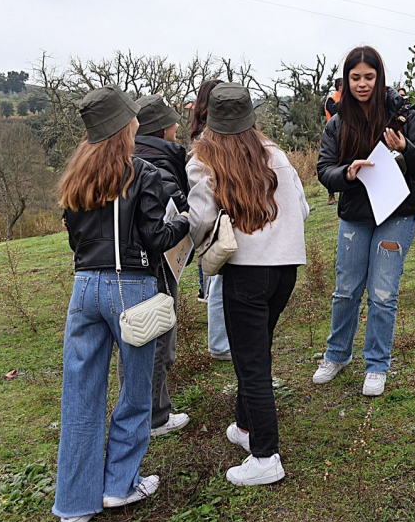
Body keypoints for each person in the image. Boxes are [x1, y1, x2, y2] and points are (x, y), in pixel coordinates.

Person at [53, 85, 190, 522]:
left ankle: (73, 505)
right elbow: (157, 238)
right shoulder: (142, 172)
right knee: (133, 394)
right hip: (131, 290)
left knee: (80, 393)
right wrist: (185, 222)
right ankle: (119, 485)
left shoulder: (75, 176)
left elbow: (76, 239)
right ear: (124, 126)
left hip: (84, 288)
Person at [187, 83, 308, 486]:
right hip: (285, 267)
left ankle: (266, 455)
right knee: (256, 351)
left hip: (245, 270)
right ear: (252, 118)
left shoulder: (205, 160)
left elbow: (202, 220)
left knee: (251, 363)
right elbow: (303, 209)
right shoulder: (277, 156)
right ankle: (244, 426)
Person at [313, 46, 415, 397]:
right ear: (346, 81)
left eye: (369, 77)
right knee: (346, 289)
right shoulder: (336, 123)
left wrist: (406, 147)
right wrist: (346, 173)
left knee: (382, 293)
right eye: (355, 78)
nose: (362, 84)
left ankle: (377, 365)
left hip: (398, 213)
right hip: (356, 214)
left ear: (379, 77)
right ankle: (336, 355)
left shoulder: (403, 115)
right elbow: (324, 170)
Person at [131, 94, 191, 437]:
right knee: (158, 337)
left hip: (129, 264)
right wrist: (184, 217)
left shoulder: (131, 154)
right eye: (172, 122)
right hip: (155, 263)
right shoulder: (158, 161)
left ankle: (146, 410)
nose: (177, 126)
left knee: (139, 337)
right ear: (159, 129)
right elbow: (173, 210)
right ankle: (154, 416)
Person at [190, 79, 232, 360]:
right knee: (218, 278)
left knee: (219, 277)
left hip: (218, 214)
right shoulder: (207, 140)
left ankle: (223, 338)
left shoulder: (207, 135)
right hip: (217, 215)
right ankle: (219, 343)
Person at [323, 78, 343, 205]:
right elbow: (337, 114)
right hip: (333, 135)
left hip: (345, 135)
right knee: (331, 163)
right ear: (340, 86)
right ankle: (331, 196)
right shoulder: (332, 100)